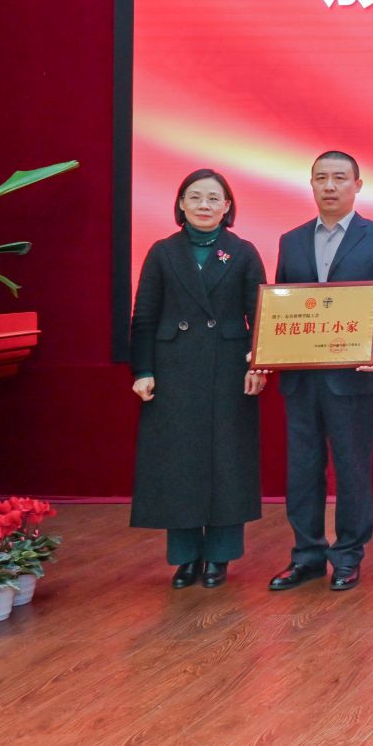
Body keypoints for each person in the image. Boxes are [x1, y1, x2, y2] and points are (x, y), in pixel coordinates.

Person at [265, 151, 373, 594]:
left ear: (357, 185)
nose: (330, 186)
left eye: (340, 178)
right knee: (302, 470)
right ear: (311, 184)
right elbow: (281, 303)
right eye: (321, 178)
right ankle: (306, 556)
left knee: (352, 469)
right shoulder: (291, 240)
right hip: (302, 377)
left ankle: (347, 555)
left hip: (353, 376)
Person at [127, 169, 267, 587]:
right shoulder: (162, 252)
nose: (204, 205)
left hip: (229, 370)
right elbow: (144, 317)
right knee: (179, 462)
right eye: (195, 197)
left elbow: (260, 316)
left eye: (213, 198)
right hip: (174, 370)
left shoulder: (242, 252)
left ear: (227, 207)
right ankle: (186, 557)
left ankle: (220, 556)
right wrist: (143, 370)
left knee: (228, 461)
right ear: (181, 204)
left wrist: (257, 366)